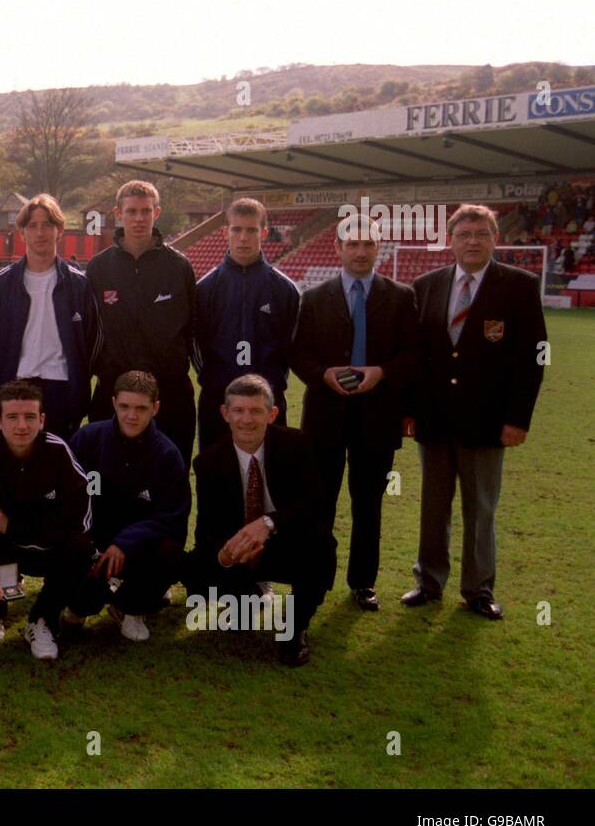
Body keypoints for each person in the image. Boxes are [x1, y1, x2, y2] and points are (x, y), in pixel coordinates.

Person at [404, 205, 547, 619]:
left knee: (480, 508)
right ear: (451, 240)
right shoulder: (425, 285)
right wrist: (409, 410)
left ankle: (479, 590)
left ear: (494, 238)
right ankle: (429, 580)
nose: (472, 240)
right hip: (434, 419)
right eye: (464, 233)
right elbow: (417, 357)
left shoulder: (519, 285)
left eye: (481, 233)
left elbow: (532, 357)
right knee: (433, 506)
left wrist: (518, 418)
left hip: (487, 422)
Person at [289, 216, 419, 611]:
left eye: (368, 244)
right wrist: (321, 374)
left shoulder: (400, 296)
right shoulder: (313, 297)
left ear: (378, 248)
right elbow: (297, 353)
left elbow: (413, 354)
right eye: (353, 244)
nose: (360, 251)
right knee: (320, 501)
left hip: (377, 417)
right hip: (325, 416)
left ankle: (363, 582)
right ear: (338, 249)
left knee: (368, 504)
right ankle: (317, 574)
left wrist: (382, 373)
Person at [188, 375, 336, 666]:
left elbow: (315, 506)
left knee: (322, 548)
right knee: (199, 570)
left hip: (285, 542)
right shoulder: (207, 462)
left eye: (256, 411)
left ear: (272, 414)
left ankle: (294, 627)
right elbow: (207, 529)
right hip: (240, 549)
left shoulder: (297, 444)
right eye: (239, 410)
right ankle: (248, 596)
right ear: (225, 413)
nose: (246, 419)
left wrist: (268, 523)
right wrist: (225, 555)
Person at [0, 380, 96, 660]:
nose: (21, 426)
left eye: (30, 417)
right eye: (12, 417)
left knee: (81, 549)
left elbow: (78, 520)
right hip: (3, 552)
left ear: (42, 419)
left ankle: (42, 619)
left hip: (46, 549)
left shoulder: (58, 451)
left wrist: (18, 527)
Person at [67, 371, 190, 643]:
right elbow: (67, 499)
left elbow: (173, 517)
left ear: (155, 408)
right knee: (77, 590)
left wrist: (125, 542)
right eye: (124, 406)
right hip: (94, 543)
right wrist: (88, 544)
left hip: (138, 548)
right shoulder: (88, 438)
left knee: (171, 552)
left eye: (141, 408)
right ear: (113, 403)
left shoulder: (167, 454)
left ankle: (131, 607)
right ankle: (80, 606)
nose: (131, 415)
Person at [86, 180, 198, 466]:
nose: (139, 218)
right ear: (118, 213)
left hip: (170, 394)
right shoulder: (98, 267)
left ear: (156, 213)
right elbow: (88, 330)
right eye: (132, 211)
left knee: (171, 477)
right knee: (107, 480)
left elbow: (193, 328)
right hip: (112, 392)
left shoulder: (179, 266)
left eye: (146, 211)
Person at [0, 194, 99, 441]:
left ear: (60, 231)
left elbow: (91, 341)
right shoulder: (2, 284)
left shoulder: (78, 284)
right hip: (15, 387)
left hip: (62, 390)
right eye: (32, 226)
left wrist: (78, 381)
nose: (40, 232)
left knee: (58, 471)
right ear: (22, 234)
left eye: (47, 224)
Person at [194, 197, 299, 451]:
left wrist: (270, 383)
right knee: (216, 478)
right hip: (218, 401)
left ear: (263, 233)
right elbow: (196, 345)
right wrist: (215, 379)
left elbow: (290, 348)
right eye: (236, 229)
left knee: (269, 478)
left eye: (251, 230)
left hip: (267, 402)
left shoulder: (284, 289)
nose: (243, 237)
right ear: (225, 232)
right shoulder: (204, 289)